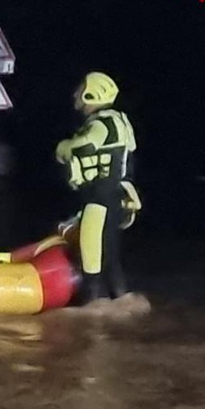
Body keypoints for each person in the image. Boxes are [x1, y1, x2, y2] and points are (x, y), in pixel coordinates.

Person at [54, 71, 140, 303]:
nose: (76, 95)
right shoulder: (119, 120)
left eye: (81, 90)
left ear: (92, 94)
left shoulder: (102, 124)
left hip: (100, 199)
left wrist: (62, 147)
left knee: (90, 257)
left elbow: (83, 147)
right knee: (110, 256)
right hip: (114, 197)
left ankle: (92, 309)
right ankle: (122, 302)